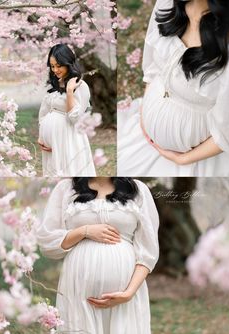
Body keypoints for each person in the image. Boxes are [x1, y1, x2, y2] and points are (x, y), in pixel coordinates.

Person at [118, 0, 229, 176]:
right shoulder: (167, 3)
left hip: (197, 160)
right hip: (142, 136)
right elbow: (153, 70)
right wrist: (146, 115)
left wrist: (183, 159)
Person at [36, 177, 159, 334]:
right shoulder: (65, 188)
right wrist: (84, 231)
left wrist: (129, 293)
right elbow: (48, 241)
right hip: (78, 292)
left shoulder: (138, 189)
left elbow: (148, 251)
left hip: (125, 295)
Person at [38, 44, 96, 176]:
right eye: (52, 66)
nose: (55, 70)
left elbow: (74, 118)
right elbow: (44, 112)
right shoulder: (54, 84)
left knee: (68, 173)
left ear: (68, 63)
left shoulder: (81, 86)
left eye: (59, 66)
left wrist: (70, 91)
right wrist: (42, 136)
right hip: (50, 145)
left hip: (69, 139)